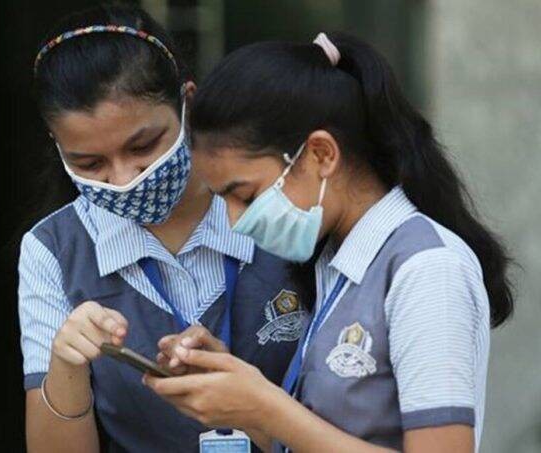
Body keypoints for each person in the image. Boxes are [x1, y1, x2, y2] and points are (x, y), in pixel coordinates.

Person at [146, 33, 514, 452]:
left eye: (245, 196)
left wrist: (266, 407)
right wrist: (234, 392)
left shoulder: (427, 269)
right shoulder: (335, 260)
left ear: (321, 154)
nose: (235, 221)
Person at [18, 4, 314, 452]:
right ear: (59, 148)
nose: (124, 179)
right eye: (90, 163)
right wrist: (66, 365)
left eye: (143, 146)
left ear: (188, 103)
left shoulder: (283, 210)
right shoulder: (54, 250)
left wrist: (253, 407)